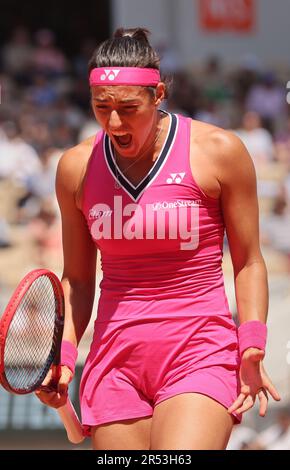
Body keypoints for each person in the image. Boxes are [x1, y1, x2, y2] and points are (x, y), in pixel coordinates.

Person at [35, 27, 281, 450]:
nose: (114, 121)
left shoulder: (219, 151)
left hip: (199, 350)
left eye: (128, 108)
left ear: (159, 94)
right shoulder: (75, 167)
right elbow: (76, 278)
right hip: (115, 359)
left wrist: (252, 342)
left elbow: (249, 261)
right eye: (101, 107)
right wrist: (66, 355)